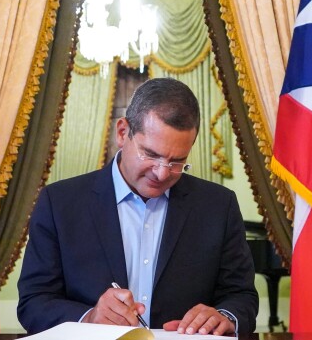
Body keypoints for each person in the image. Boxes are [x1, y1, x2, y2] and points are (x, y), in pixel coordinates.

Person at [18, 78, 258, 336]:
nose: (162, 173)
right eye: (151, 154)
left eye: (178, 161)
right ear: (122, 133)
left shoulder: (218, 206)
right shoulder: (60, 203)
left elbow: (241, 296)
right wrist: (89, 318)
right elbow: (34, 302)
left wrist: (224, 317)